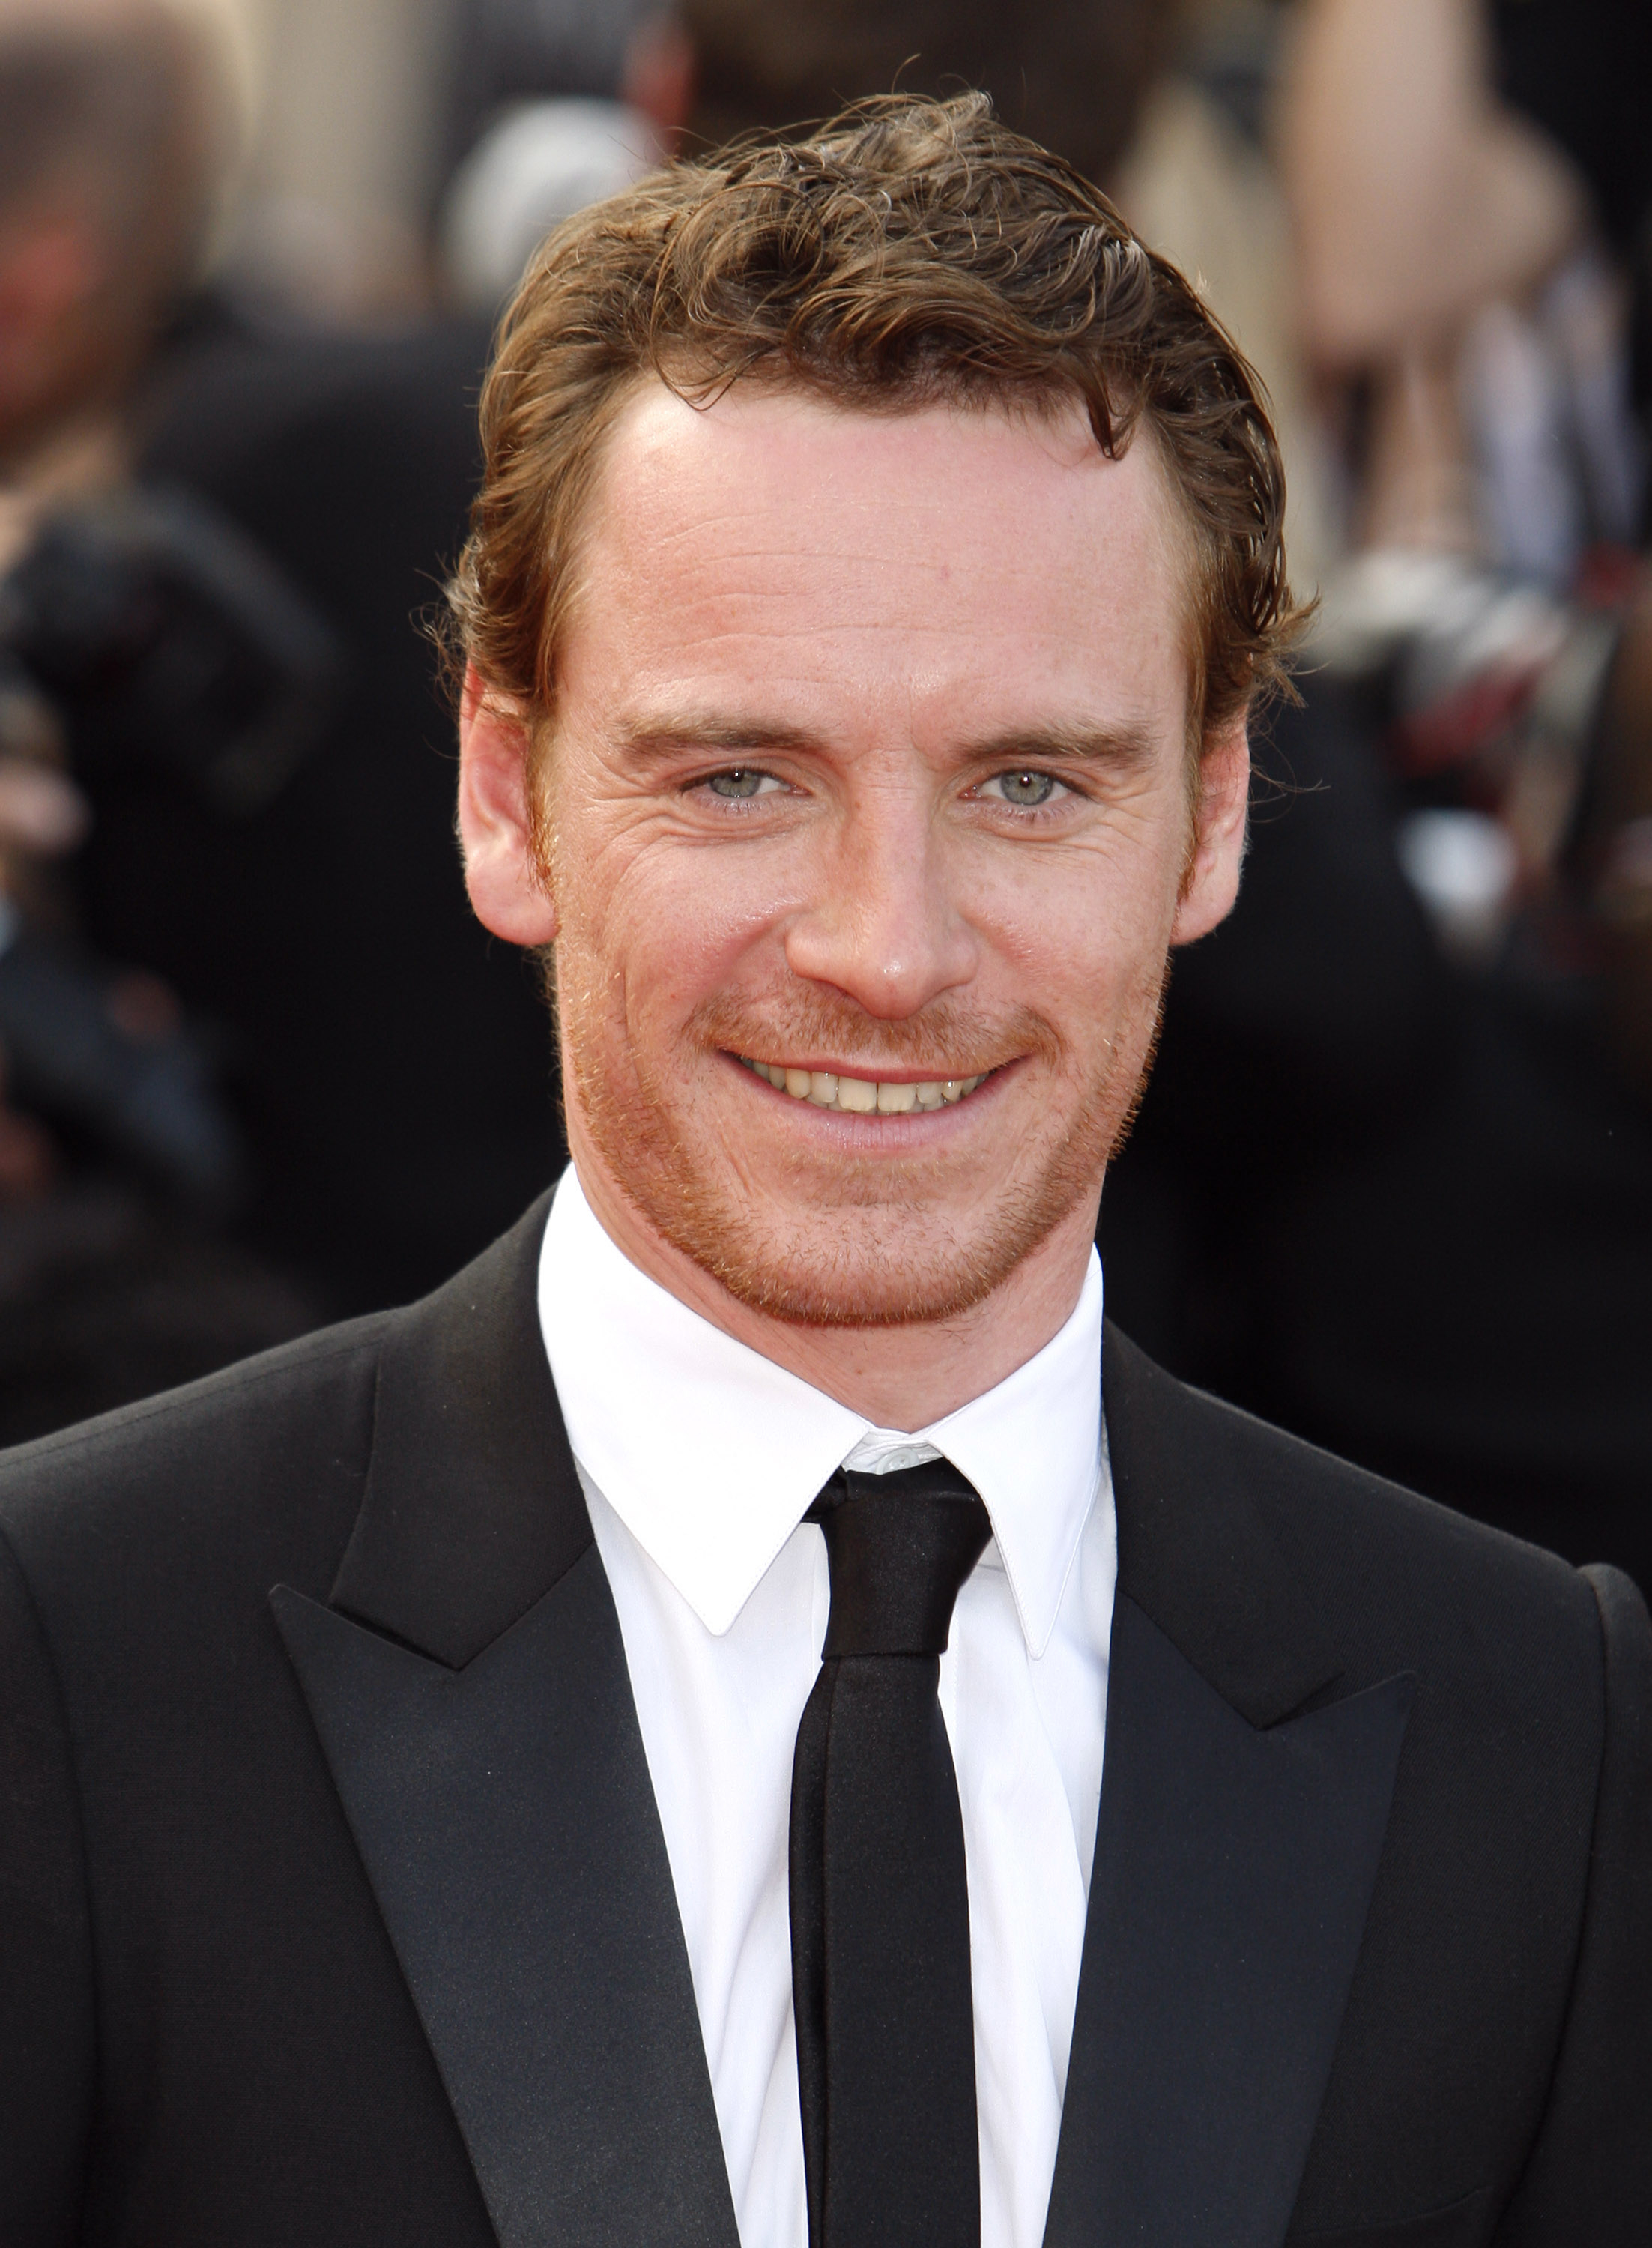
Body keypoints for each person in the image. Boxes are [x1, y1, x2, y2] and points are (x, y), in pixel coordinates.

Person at [1, 94, 1648, 2248]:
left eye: (1033, 783)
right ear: (509, 795)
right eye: (746, 774)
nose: (889, 946)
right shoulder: (70, 1659)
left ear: (1217, 819)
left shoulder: (1536, 1733)